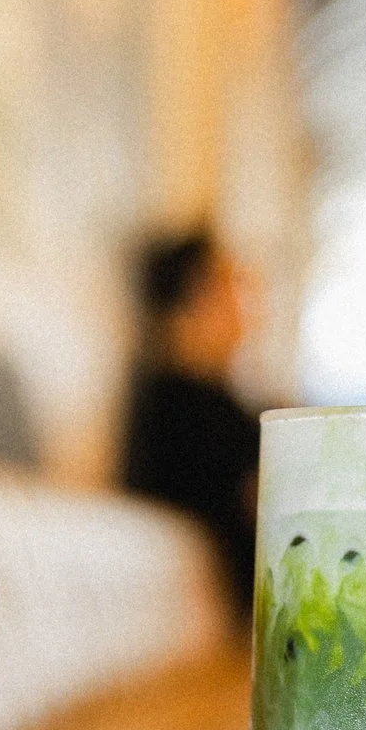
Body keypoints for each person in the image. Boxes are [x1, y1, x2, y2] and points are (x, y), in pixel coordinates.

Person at [120, 228, 260, 621]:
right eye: (233, 287)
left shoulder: (178, 399)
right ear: (196, 299)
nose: (248, 308)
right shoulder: (185, 407)